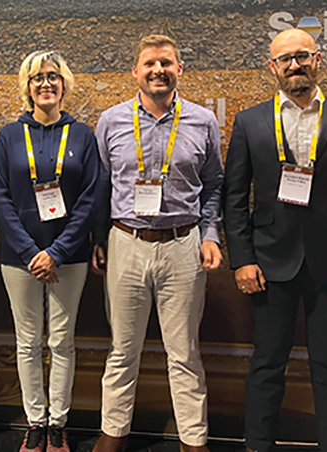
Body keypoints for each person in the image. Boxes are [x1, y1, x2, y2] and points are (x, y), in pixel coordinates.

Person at [223, 28, 327, 452]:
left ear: (318, 59)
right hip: (267, 265)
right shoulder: (249, 122)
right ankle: (257, 446)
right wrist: (241, 259)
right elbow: (234, 198)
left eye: (301, 56)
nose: (293, 65)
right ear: (271, 67)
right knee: (266, 366)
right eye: (284, 59)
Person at [91, 35, 224, 452]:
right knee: (121, 350)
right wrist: (99, 240)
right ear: (136, 71)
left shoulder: (202, 120)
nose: (158, 70)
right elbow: (99, 186)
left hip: (182, 244)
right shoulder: (111, 121)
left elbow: (215, 186)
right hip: (125, 242)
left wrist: (210, 234)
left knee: (184, 352)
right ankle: (113, 435)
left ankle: (193, 440)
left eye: (166, 62)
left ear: (179, 70)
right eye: (149, 63)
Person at [0, 50, 100, 452]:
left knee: (61, 341)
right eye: (37, 78)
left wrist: (56, 251)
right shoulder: (7, 136)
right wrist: (30, 250)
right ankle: (35, 422)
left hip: (68, 257)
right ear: (27, 86)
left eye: (53, 76)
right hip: (20, 259)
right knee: (27, 341)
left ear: (64, 83)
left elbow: (90, 198)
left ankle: (59, 423)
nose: (46, 83)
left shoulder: (84, 136)